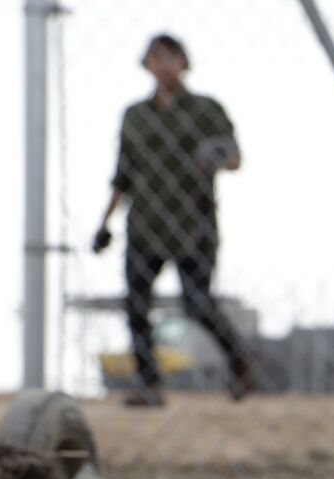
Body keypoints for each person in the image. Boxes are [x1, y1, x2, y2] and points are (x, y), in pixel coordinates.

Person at [92, 34, 252, 407]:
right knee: (136, 305)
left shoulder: (205, 110)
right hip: (146, 222)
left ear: (183, 62)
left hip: (193, 221)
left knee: (197, 303)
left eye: (170, 57)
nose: (163, 65)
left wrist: (217, 156)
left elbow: (235, 158)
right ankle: (150, 385)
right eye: (155, 58)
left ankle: (240, 362)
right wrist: (105, 223)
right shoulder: (136, 116)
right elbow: (123, 174)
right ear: (146, 64)